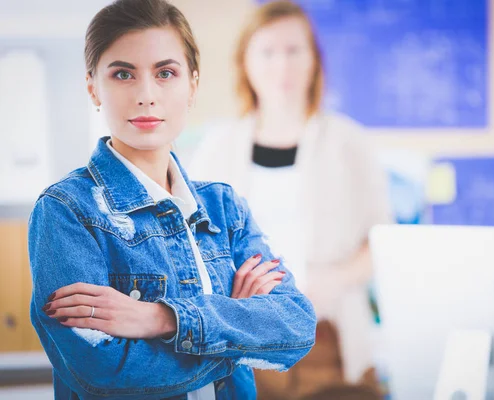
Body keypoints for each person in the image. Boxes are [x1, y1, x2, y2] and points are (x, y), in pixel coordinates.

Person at [28, 1, 316, 399]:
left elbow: (296, 325)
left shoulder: (223, 207)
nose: (147, 95)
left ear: (192, 85)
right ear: (93, 87)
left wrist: (159, 319)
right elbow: (103, 373)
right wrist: (238, 335)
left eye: (165, 73)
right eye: (123, 74)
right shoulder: (67, 211)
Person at [187, 1, 392, 397]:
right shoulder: (218, 148)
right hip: (247, 347)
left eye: (294, 50)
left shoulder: (350, 143)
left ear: (314, 60)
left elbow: (383, 240)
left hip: (331, 344)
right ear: (244, 62)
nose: (282, 65)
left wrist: (335, 279)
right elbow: (193, 247)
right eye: (267, 51)